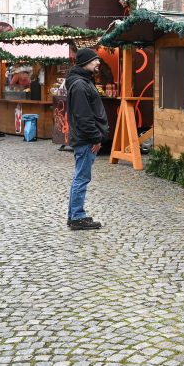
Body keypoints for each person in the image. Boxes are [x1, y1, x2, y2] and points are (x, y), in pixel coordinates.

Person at [65, 49, 109, 231]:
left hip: (85, 138)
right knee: (81, 178)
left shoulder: (81, 82)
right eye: (94, 60)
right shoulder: (80, 85)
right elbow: (84, 117)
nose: (98, 62)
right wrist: (96, 137)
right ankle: (77, 217)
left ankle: (74, 215)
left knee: (80, 177)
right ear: (85, 62)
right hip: (86, 140)